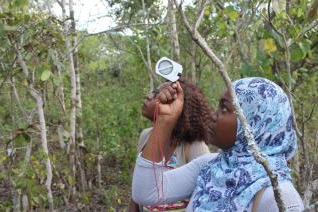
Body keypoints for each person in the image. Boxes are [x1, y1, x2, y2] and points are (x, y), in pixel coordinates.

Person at [132, 77, 304, 211]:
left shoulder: (278, 196)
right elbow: (146, 192)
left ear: (253, 123)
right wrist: (165, 121)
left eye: (224, 109)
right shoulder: (210, 167)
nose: (214, 116)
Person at [129, 79, 212, 212]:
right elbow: (138, 188)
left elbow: (204, 196)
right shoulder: (146, 136)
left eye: (157, 94)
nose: (148, 96)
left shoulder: (195, 146)